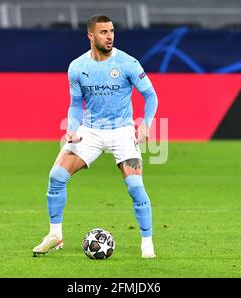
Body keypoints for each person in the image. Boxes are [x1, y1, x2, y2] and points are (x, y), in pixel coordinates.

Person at [33, 14, 158, 258]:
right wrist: (72, 127)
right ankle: (55, 234)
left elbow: (151, 96)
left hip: (122, 132)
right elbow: (76, 103)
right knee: (56, 176)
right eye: (103, 32)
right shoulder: (78, 67)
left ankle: (147, 242)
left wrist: (146, 124)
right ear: (91, 36)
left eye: (111, 31)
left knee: (135, 186)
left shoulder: (128, 63)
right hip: (89, 132)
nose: (109, 36)